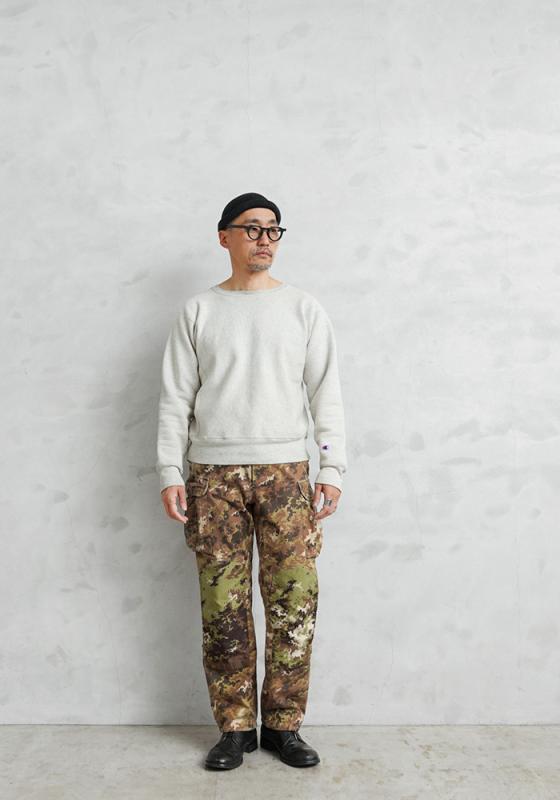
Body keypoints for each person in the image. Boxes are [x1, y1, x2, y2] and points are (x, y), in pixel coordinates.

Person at [155, 192, 347, 770]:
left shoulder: (303, 309)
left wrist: (331, 466)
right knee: (224, 606)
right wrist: (170, 470)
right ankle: (235, 728)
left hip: (287, 474)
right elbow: (175, 399)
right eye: (252, 228)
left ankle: (284, 726)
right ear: (225, 237)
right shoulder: (199, 311)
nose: (265, 239)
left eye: (273, 229)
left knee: (294, 603)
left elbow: (326, 395)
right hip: (212, 477)